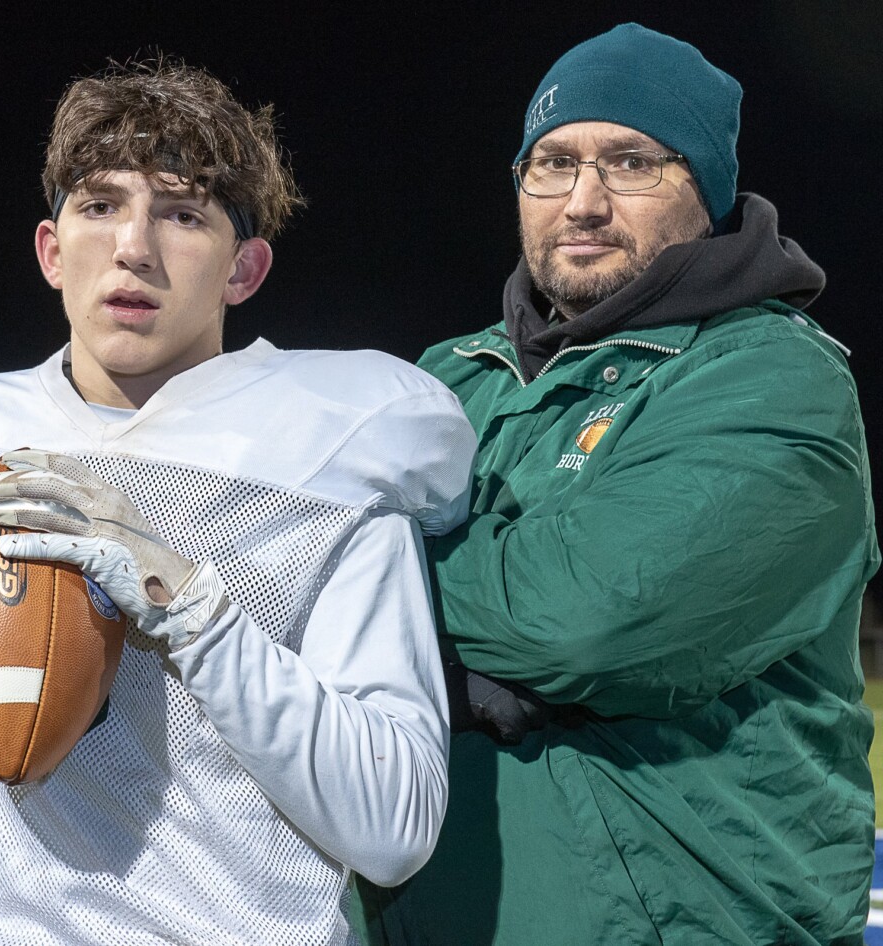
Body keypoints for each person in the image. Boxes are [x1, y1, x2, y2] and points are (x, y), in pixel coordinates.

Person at [0, 60, 477, 945]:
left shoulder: (326, 457)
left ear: (245, 269)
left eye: (181, 213)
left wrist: (196, 613)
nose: (133, 245)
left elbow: (395, 830)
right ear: (52, 253)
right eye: (100, 205)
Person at [358, 24, 878, 946]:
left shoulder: (772, 378)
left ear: (707, 192)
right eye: (552, 164)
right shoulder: (444, 378)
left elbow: (592, 617)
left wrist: (384, 593)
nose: (583, 201)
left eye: (631, 163)